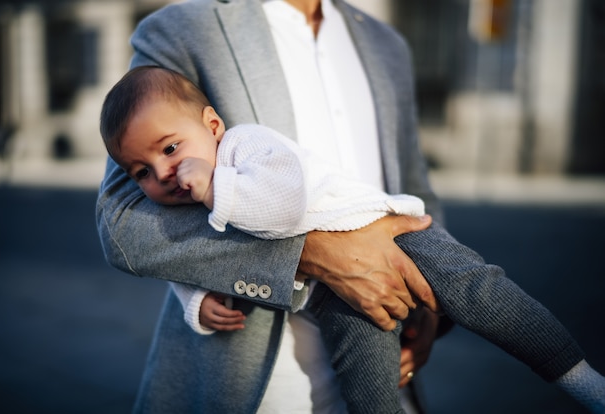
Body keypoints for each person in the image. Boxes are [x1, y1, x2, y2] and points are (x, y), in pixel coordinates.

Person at [100, 65, 605, 414]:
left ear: (212, 124)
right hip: (330, 297)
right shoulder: (192, 190)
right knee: (367, 383)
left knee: (483, 296)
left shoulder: (244, 146)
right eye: (141, 170)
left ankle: (579, 377)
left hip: (391, 233)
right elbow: (186, 259)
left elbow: (285, 205)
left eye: (170, 148)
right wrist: (195, 301)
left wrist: (214, 188)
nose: (164, 173)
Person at [96, 0, 447, 412]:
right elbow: (121, 222)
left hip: (385, 374)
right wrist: (312, 255)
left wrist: (431, 302)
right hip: (257, 386)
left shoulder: (386, 43)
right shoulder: (186, 27)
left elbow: (418, 192)